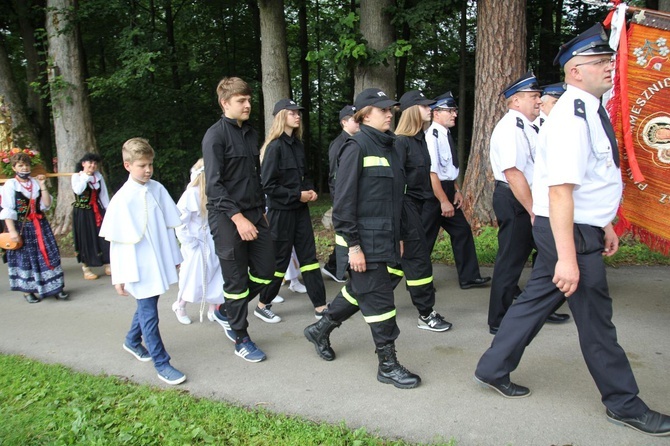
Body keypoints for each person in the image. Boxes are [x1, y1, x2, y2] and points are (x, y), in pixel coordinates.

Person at [474, 24, 670, 437]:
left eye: (608, 61)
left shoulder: (586, 109)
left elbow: (592, 180)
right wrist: (567, 256)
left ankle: (492, 367)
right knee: (597, 321)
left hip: (580, 226)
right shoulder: (571, 116)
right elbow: (561, 191)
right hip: (568, 231)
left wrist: (604, 224)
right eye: (600, 63)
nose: (609, 68)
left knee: (535, 301)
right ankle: (624, 403)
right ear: (576, 71)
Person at [304, 88, 421, 389]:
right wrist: (353, 247)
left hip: (387, 240)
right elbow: (343, 206)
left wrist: (402, 236)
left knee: (361, 292)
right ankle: (388, 365)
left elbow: (398, 198)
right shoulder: (356, 148)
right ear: (365, 114)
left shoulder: (392, 147)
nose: (389, 113)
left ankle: (320, 328)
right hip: (363, 245)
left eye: (390, 109)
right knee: (381, 300)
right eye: (383, 109)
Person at [487, 72, 569, 335]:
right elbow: (513, 173)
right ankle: (498, 320)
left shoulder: (530, 126)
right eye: (532, 96)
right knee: (511, 259)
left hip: (529, 199)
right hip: (516, 199)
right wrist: (532, 209)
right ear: (515, 102)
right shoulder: (511, 128)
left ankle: (538, 308)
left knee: (547, 255)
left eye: (537, 96)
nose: (538, 100)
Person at [99, 137, 186, 385]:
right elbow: (117, 244)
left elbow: (168, 228)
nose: (148, 170)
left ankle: (131, 341)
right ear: (128, 165)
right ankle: (162, 363)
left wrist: (175, 258)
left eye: (150, 164)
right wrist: (119, 276)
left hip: (157, 262)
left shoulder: (157, 189)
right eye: (142, 165)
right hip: (136, 267)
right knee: (149, 313)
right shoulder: (122, 199)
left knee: (148, 305)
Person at [202, 77, 274, 362]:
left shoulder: (251, 133)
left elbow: (252, 177)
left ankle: (226, 310)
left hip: (256, 213)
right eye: (241, 101)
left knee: (267, 270)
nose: (248, 105)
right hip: (226, 217)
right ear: (225, 103)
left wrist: (261, 211)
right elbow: (214, 186)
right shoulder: (214, 136)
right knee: (235, 281)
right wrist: (238, 218)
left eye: (248, 99)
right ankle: (241, 338)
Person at [258, 99, 328, 321]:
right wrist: (296, 195)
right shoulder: (274, 147)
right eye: (292, 113)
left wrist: (310, 190)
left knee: (309, 258)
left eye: (298, 112)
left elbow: (304, 175)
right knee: (279, 261)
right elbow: (268, 186)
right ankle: (262, 304)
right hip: (281, 213)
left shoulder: (298, 145)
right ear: (281, 117)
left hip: (300, 211)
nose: (297, 116)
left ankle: (320, 306)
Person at [394, 90, 452, 332]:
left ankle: (332, 318)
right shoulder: (400, 143)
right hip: (406, 212)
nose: (430, 109)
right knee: (418, 264)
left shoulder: (420, 139)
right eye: (425, 106)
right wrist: (397, 229)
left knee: (401, 266)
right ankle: (426, 314)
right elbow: (394, 187)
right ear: (411, 111)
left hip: (421, 209)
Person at [422, 92, 490, 290]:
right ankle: (419, 283)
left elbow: (448, 169)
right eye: (450, 110)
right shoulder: (432, 136)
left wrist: (456, 191)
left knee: (462, 231)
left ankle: (469, 277)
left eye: (455, 110)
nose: (454, 114)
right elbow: (432, 173)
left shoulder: (445, 134)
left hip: (447, 189)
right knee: (426, 239)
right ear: (436, 113)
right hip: (435, 194)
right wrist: (443, 200)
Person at [1, 153, 69, 303]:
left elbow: (46, 204)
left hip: (40, 224)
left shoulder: (35, 182)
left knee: (49, 254)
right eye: (20, 165)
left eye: (26, 165)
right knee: (26, 258)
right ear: (14, 168)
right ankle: (28, 290)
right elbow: (7, 209)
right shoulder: (11, 185)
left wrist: (43, 185)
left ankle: (56, 287)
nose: (24, 168)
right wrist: (12, 231)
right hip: (22, 226)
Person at [172, 158, 225, 326]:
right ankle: (180, 305)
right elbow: (180, 223)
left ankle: (213, 306)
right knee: (192, 276)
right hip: (196, 242)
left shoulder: (215, 192)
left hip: (213, 239)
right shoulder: (190, 195)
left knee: (216, 274)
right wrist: (189, 243)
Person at [321, 105, 359, 283]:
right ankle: (338, 268)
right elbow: (335, 177)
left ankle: (333, 266)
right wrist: (339, 202)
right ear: (344, 122)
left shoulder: (357, 141)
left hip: (353, 198)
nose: (358, 122)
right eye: (354, 119)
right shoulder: (339, 144)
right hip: (343, 199)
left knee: (348, 237)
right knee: (345, 237)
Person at [71, 152, 111, 280]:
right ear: (83, 164)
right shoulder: (77, 177)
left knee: (103, 235)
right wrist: (85, 177)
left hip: (96, 210)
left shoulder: (98, 177)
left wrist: (108, 211)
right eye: (90, 162)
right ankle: (86, 267)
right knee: (85, 238)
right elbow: (78, 190)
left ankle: (107, 263)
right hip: (83, 211)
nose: (92, 165)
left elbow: (103, 195)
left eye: (94, 163)